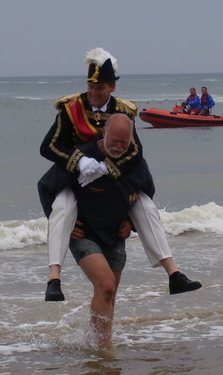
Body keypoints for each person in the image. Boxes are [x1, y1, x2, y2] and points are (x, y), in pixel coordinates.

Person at [39, 47, 201, 302]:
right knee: (62, 207)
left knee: (145, 206)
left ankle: (174, 273)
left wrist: (107, 168)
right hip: (77, 178)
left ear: (112, 87)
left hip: (114, 179)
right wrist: (79, 162)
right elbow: (48, 146)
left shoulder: (124, 111)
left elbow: (134, 150)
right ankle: (54, 278)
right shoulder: (71, 108)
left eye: (100, 88)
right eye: (91, 87)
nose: (93, 93)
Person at [69, 114, 152, 350]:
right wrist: (65, 226)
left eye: (124, 142)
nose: (118, 147)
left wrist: (132, 223)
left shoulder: (134, 162)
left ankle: (95, 342)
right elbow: (46, 187)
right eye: (114, 140)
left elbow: (147, 194)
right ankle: (105, 348)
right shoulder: (84, 157)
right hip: (83, 233)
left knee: (109, 295)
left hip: (115, 235)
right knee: (105, 286)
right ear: (104, 133)